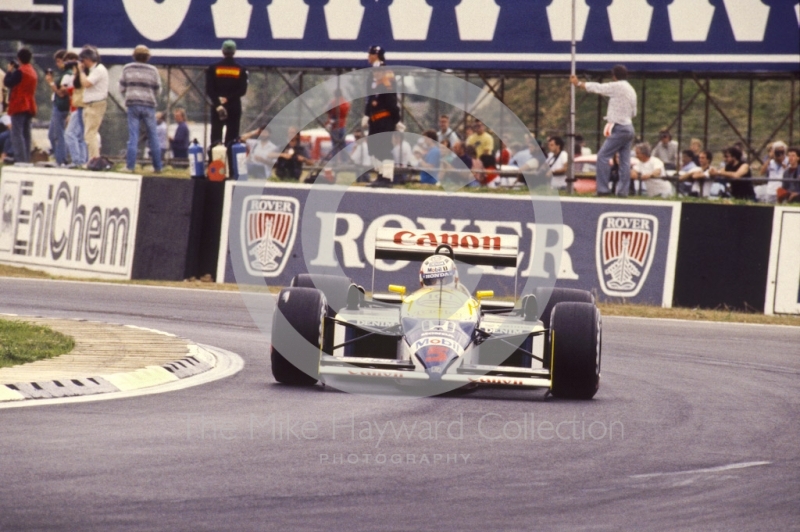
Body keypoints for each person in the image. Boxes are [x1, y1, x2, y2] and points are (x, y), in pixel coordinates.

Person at [571, 65, 637, 197]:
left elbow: (599, 88)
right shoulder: (631, 89)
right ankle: (623, 191)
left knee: (602, 156)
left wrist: (578, 83)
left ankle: (602, 189)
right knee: (625, 161)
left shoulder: (618, 86)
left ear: (614, 76)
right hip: (629, 126)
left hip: (619, 127)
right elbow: (634, 112)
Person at [119, 44, 161, 172]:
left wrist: (129, 94)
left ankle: (130, 166)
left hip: (133, 105)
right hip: (148, 105)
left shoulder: (127, 68)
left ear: (134, 55)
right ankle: (157, 167)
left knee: (133, 136)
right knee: (153, 136)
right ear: (147, 57)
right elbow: (158, 89)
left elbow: (121, 87)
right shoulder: (153, 70)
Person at [362, 45, 400, 185]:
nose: (368, 57)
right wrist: (367, 114)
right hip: (374, 118)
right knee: (374, 147)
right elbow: (370, 96)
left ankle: (387, 177)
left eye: (370, 54)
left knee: (384, 147)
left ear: (375, 55)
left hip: (385, 117)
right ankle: (379, 175)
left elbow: (390, 96)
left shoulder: (385, 71)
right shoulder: (373, 73)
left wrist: (396, 118)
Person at [206, 40, 248, 148]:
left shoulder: (213, 68)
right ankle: (230, 162)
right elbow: (242, 90)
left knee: (216, 137)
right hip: (234, 106)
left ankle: (215, 162)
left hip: (217, 107)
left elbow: (209, 89)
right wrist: (228, 99)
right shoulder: (241, 69)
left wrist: (218, 103)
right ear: (234, 52)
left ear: (222, 51)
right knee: (232, 137)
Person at [3, 48, 38, 163]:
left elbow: (8, 82)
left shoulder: (20, 72)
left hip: (19, 103)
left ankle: (20, 159)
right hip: (30, 104)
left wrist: (9, 71)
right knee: (26, 133)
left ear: (19, 58)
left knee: (16, 133)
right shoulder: (32, 71)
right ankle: (26, 158)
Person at [77, 46, 108, 161]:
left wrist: (80, 71)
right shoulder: (93, 70)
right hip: (91, 104)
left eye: (83, 60)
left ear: (88, 59)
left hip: (95, 104)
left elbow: (86, 83)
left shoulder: (99, 70)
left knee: (90, 134)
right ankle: (94, 158)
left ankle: (94, 160)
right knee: (90, 134)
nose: (82, 63)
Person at [61, 51, 88, 167]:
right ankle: (82, 161)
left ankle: (77, 161)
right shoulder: (75, 76)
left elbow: (70, 89)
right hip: (76, 108)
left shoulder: (81, 76)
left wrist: (78, 71)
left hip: (79, 108)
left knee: (69, 134)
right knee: (80, 136)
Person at [45, 50, 70, 166]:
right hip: (58, 105)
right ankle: (59, 156)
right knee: (52, 134)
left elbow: (61, 93)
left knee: (58, 134)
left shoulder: (67, 74)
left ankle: (61, 159)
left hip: (61, 107)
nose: (57, 64)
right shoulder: (64, 74)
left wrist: (51, 83)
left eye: (59, 61)